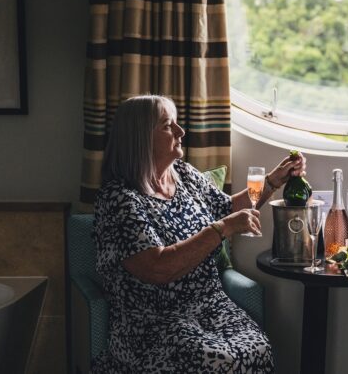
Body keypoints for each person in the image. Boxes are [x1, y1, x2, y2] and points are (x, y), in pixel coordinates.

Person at [92, 94, 304, 373]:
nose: (181, 132)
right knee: (215, 361)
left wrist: (273, 181)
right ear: (141, 138)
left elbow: (228, 207)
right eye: (169, 126)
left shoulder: (182, 174)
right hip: (151, 322)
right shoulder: (119, 199)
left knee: (258, 347)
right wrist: (222, 228)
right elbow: (157, 267)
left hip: (208, 305)